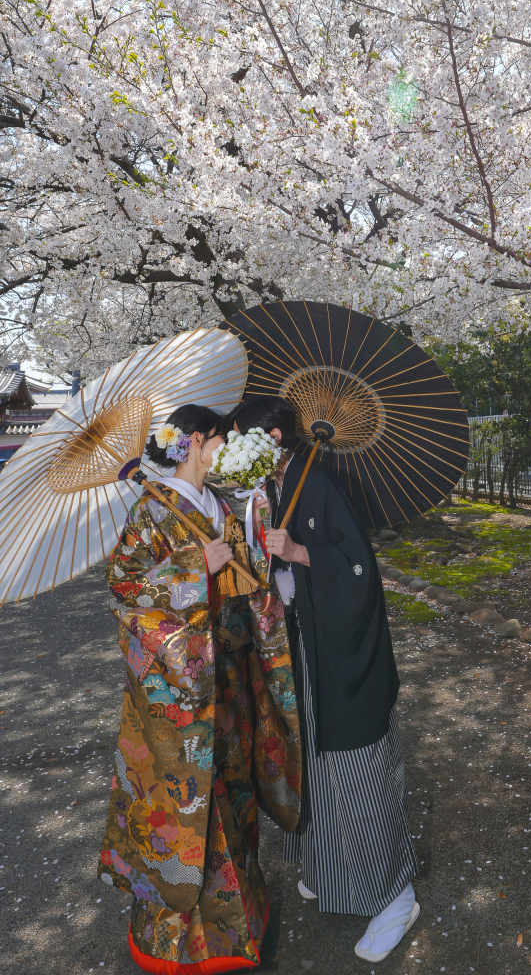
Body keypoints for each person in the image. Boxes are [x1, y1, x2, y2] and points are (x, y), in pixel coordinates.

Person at [98, 403, 302, 973]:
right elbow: (126, 588)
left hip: (230, 672)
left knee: (234, 795)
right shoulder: (151, 509)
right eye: (217, 439)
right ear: (192, 441)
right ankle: (181, 945)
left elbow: (247, 577)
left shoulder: (216, 501)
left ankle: (245, 920)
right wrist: (194, 567)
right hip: (184, 688)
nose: (222, 448)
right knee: (192, 805)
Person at [226, 395, 419, 963]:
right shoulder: (278, 487)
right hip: (308, 656)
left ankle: (395, 894)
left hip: (344, 659)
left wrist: (305, 553)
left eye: (242, 440)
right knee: (313, 760)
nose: (235, 451)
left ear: (273, 441)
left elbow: (360, 569)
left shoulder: (323, 485)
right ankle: (331, 871)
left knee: (356, 767)